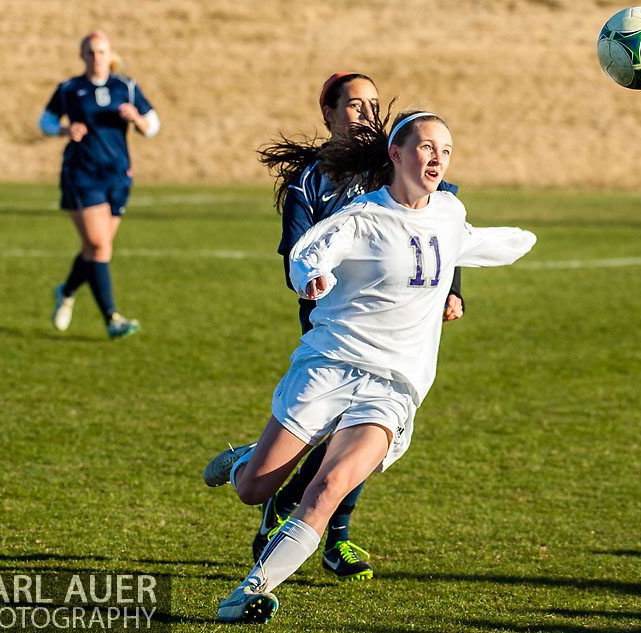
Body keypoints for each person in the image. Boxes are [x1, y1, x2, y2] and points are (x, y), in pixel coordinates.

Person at [211, 109, 536, 624]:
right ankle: (242, 463)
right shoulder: (362, 216)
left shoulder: (449, 213)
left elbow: (466, 241)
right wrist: (310, 277)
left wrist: (519, 240)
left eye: (446, 150)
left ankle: (252, 590)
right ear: (397, 154)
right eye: (427, 147)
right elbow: (308, 251)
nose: (438, 158)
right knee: (256, 490)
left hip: (394, 386)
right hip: (332, 365)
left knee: (329, 486)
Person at [203, 73, 465, 582]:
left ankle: (334, 536)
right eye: (352, 105)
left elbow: (443, 228)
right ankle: (262, 476)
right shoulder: (310, 179)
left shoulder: (397, 163)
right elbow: (296, 250)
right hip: (332, 327)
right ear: (327, 113)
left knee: (362, 437)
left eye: (372, 103)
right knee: (322, 441)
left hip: (392, 333)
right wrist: (310, 277)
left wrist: (454, 290)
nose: (366, 113)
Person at [40, 30, 160, 339]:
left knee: (95, 247)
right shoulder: (70, 89)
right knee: (99, 245)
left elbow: (153, 123)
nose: (97, 58)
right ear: (82, 56)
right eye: (91, 52)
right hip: (82, 173)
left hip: (118, 175)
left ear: (110, 55)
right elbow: (46, 121)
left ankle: (66, 291)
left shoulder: (126, 87)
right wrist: (64, 131)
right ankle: (112, 318)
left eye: (102, 52)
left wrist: (138, 119)